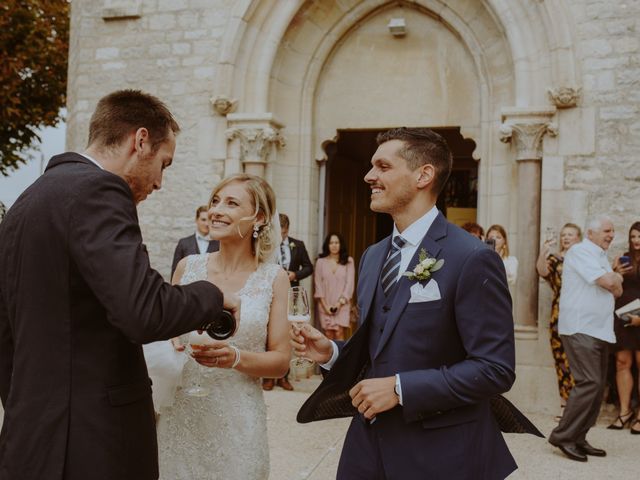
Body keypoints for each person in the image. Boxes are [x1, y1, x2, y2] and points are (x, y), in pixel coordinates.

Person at [0, 90, 237, 480]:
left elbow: (6, 332)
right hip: (95, 447)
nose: (160, 181)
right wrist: (210, 296)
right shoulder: (100, 190)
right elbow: (142, 311)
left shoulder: (27, 202)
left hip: (30, 441)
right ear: (140, 140)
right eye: (164, 164)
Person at [292, 127, 521, 479]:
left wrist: (401, 389)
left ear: (423, 175)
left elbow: (495, 368)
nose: (369, 176)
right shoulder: (372, 256)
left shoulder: (472, 257)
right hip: (367, 447)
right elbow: (382, 344)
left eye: (383, 167)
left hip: (442, 452)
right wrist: (332, 353)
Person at [157, 173, 290, 480]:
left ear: (258, 217)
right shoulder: (187, 267)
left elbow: (281, 362)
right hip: (181, 417)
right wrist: (171, 344)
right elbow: (164, 332)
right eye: (215, 200)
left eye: (231, 203)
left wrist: (235, 358)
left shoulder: (274, 278)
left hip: (239, 423)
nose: (216, 210)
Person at [548, 215, 623, 461]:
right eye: (607, 231)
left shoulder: (599, 255)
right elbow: (606, 280)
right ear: (590, 233)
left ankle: (579, 436)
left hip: (599, 329)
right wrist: (614, 278)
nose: (611, 235)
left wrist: (615, 279)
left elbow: (617, 289)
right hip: (581, 328)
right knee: (588, 382)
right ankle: (563, 436)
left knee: (597, 386)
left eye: (612, 231)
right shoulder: (580, 251)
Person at [263, 213, 314, 391]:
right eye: (279, 232)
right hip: (270, 295)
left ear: (288, 230)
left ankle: (283, 377)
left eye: (284, 233)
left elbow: (309, 267)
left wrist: (295, 274)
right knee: (270, 333)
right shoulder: (267, 245)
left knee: (287, 334)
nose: (281, 236)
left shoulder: (298, 245)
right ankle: (269, 376)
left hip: (291, 296)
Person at [536, 223, 582, 415]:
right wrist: (544, 250)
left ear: (578, 237)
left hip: (580, 314)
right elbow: (542, 271)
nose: (566, 237)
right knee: (561, 360)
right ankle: (565, 405)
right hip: (558, 314)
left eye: (570, 234)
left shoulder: (583, 258)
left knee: (578, 361)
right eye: (563, 234)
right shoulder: (556, 259)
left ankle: (579, 408)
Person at [608, 221, 640, 433]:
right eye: (633, 237)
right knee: (622, 362)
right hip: (623, 316)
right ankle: (625, 411)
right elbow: (612, 287)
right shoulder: (622, 257)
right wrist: (614, 270)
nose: (636, 241)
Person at [314, 232, 355, 341]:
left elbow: (349, 285)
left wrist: (338, 304)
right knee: (328, 334)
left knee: (339, 333)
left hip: (342, 304)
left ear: (341, 244)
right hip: (325, 304)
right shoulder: (320, 262)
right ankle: (330, 358)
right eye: (331, 242)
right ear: (327, 245)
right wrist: (325, 306)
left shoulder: (348, 261)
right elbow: (318, 285)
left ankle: (340, 358)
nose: (334, 245)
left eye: (337, 242)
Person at [170, 205, 220, 277]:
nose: (206, 224)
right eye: (203, 220)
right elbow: (175, 271)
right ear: (196, 220)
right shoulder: (183, 243)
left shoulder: (219, 244)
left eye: (209, 220)